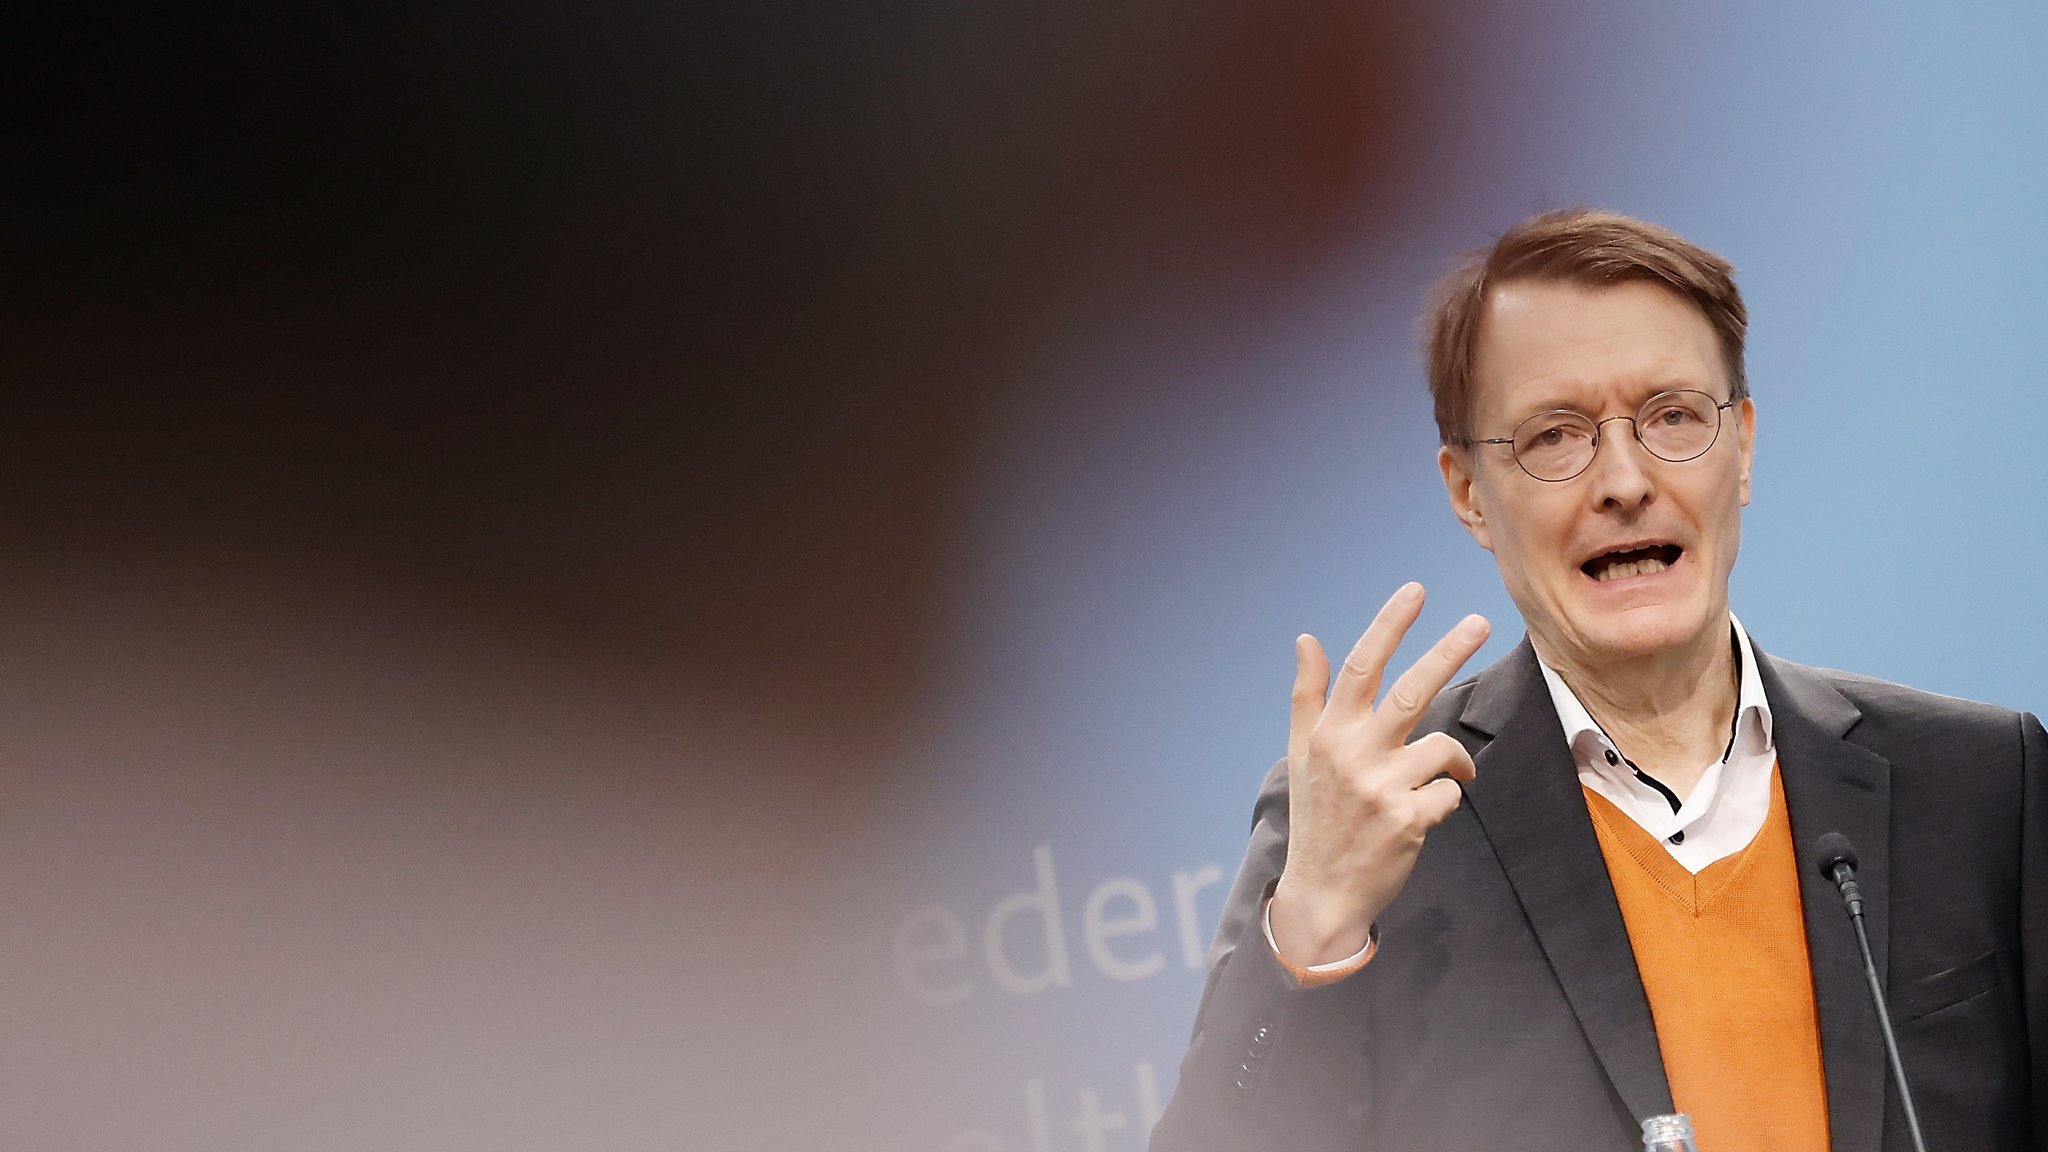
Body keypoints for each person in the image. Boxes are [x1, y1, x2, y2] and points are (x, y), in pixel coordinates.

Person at [1149, 209, 2046, 1152]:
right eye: (1554, 436)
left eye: (1672, 417)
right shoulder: (1372, 827)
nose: (1623, 480)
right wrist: (1309, 939)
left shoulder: (1981, 785)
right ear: (1468, 495)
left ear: (1741, 445)